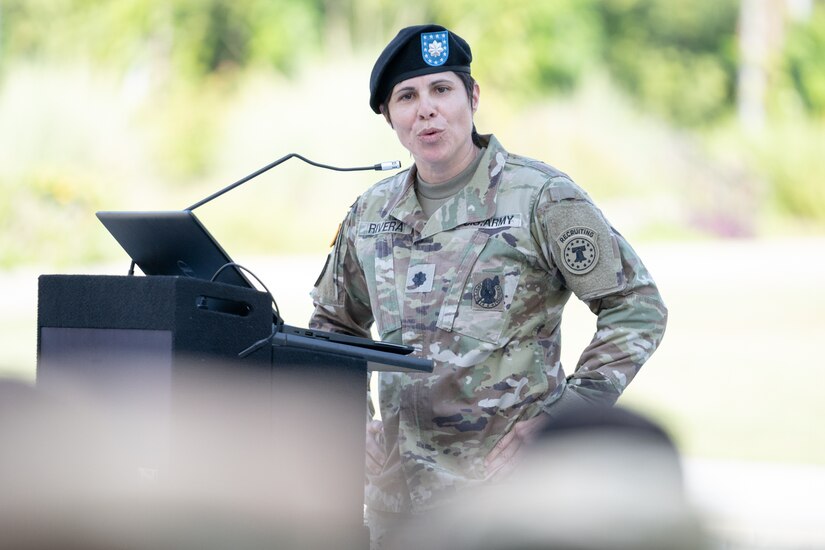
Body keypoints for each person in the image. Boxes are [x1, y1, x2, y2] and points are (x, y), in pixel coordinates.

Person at [309, 23, 668, 548]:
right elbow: (332, 325)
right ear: (389, 116)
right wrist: (350, 417)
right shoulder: (370, 214)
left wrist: (565, 418)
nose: (426, 109)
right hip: (398, 503)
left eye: (441, 89)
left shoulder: (541, 197)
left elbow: (636, 306)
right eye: (406, 96)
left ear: (472, 97)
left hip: (510, 499)